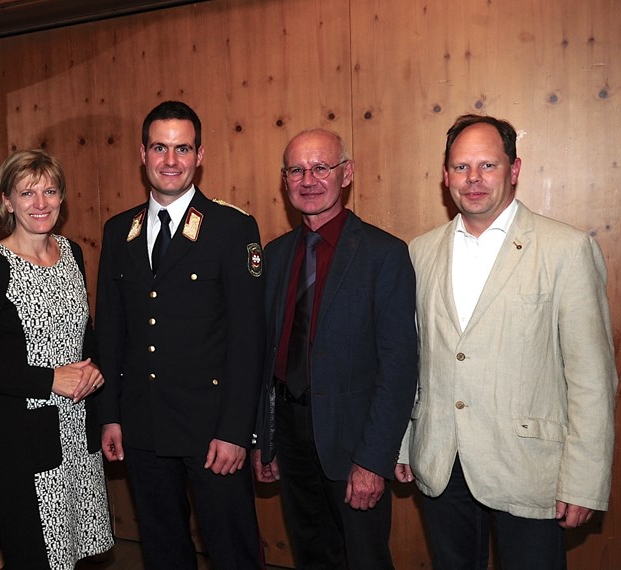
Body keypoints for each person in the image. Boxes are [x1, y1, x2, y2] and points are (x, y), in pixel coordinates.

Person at [396, 114, 618, 568]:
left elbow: (592, 377)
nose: (473, 179)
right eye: (460, 167)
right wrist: (405, 442)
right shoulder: (419, 252)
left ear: (514, 170)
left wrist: (584, 480)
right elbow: (413, 359)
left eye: (488, 166)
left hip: (531, 468)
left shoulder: (565, 249)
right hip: (441, 461)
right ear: (445, 175)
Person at [95, 100, 265, 568]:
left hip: (212, 429)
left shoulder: (232, 228)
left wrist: (236, 431)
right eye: (160, 148)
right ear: (143, 154)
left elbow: (249, 340)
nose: (171, 161)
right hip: (144, 425)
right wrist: (109, 415)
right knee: (163, 549)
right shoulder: (118, 231)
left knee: (233, 551)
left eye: (182, 148)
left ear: (200, 154)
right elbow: (110, 331)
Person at [251, 129, 418, 568]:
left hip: (353, 441)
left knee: (365, 559)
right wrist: (263, 439)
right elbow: (265, 358)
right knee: (311, 554)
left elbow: (399, 367)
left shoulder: (385, 254)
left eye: (321, 167)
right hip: (289, 433)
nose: (309, 180)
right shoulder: (275, 256)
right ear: (284, 180)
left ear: (346, 174)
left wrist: (373, 461)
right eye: (296, 170)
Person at [0, 149, 113, 569]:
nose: (40, 203)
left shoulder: (72, 252)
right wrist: (49, 380)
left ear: (62, 198)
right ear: (6, 201)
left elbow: (84, 331)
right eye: (27, 193)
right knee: (37, 557)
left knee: (75, 552)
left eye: (50, 191)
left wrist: (93, 367)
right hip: (22, 442)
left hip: (78, 431)